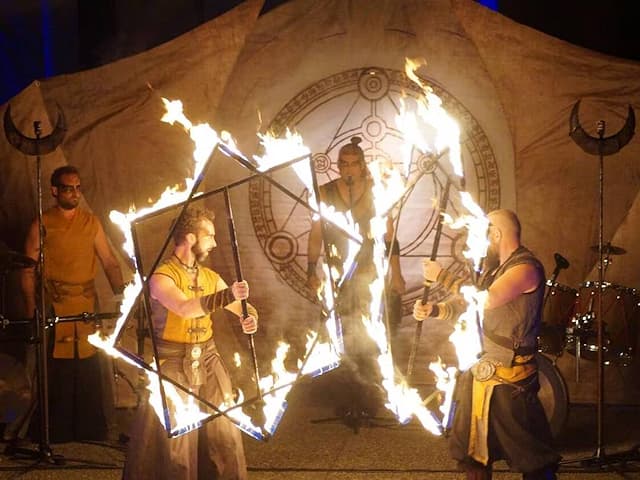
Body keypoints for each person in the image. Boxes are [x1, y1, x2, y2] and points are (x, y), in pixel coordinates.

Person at [413, 209, 560, 480]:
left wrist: (443, 277)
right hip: (479, 375)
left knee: (534, 458)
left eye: (483, 234)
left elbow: (487, 300)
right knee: (473, 455)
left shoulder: (526, 268)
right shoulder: (493, 270)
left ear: (496, 234)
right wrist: (435, 309)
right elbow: (468, 306)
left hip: (510, 381)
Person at [122, 206, 258, 480]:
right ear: (191, 238)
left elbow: (247, 309)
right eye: (210, 235)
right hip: (171, 363)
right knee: (176, 449)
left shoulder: (210, 277)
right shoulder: (162, 277)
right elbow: (184, 308)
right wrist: (226, 296)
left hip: (208, 359)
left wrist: (250, 318)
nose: (215, 242)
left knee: (225, 435)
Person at [18, 165, 126, 443]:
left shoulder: (91, 222)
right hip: (56, 304)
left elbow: (110, 262)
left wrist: (122, 295)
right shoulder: (41, 223)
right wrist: (31, 307)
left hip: (86, 305)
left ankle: (90, 429)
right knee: (56, 368)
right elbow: (27, 269)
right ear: (54, 191)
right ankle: (55, 431)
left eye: (78, 187)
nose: (75, 193)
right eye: (68, 188)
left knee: (90, 365)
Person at [306, 136, 405, 423]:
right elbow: (315, 236)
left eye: (354, 164)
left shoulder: (377, 192)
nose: (349, 169)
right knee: (343, 335)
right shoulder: (325, 193)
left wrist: (396, 273)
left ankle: (369, 398)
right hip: (339, 275)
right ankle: (346, 398)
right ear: (338, 167)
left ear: (363, 166)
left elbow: (389, 238)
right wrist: (312, 269)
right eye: (344, 164)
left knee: (369, 336)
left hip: (369, 274)